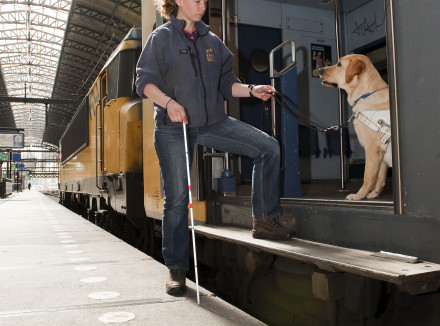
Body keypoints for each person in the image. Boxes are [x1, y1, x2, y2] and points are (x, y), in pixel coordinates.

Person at [136, 0, 295, 295]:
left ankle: (264, 220)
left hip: (212, 122)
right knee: (177, 199)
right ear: (178, 2)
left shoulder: (213, 42)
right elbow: (144, 82)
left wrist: (250, 90)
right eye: (196, 0)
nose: (203, 5)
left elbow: (227, 84)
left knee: (268, 147)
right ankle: (177, 270)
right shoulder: (161, 38)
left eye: (205, 0)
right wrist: (169, 103)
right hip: (174, 127)